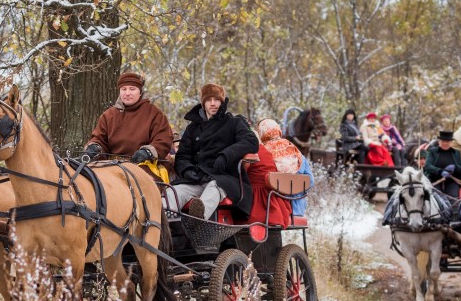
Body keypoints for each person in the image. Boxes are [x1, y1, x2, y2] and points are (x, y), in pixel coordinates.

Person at [170, 83, 259, 220]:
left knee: (213, 189)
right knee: (173, 192)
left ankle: (198, 219)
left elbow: (251, 141)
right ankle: (167, 225)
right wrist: (187, 170)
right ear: (203, 103)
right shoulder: (192, 128)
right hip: (196, 178)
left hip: (223, 177)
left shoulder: (233, 122)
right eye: (209, 100)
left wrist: (226, 155)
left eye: (216, 100)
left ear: (222, 102)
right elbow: (182, 156)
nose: (213, 104)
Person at [84, 72, 174, 180]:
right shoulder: (109, 115)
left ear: (140, 92)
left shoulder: (155, 114)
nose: (127, 93)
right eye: (124, 89)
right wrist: (94, 147)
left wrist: (147, 152)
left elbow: (163, 140)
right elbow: (99, 138)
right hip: (111, 165)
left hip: (142, 166)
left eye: (132, 89)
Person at [257, 119, 313, 216]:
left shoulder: (262, 153)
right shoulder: (295, 151)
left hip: (275, 211)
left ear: (262, 133)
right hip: (298, 210)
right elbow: (310, 181)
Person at [424, 130, 461, 198]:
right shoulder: (432, 152)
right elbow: (427, 166)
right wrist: (440, 171)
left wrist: (455, 167)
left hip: (452, 181)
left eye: (447, 141)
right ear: (439, 141)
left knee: (452, 198)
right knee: (437, 197)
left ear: (451, 142)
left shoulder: (456, 153)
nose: (445, 143)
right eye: (443, 141)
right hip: (435, 181)